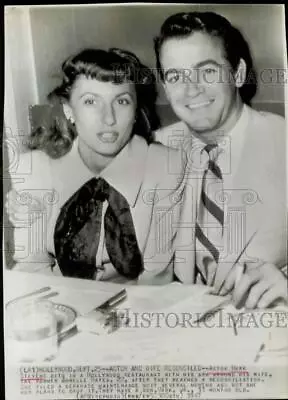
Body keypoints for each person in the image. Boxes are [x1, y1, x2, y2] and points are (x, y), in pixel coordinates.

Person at [6, 47, 186, 285]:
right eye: (90, 101)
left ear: (135, 111)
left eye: (121, 101)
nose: (109, 118)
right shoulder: (34, 170)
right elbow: (31, 270)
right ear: (69, 110)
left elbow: (156, 280)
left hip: (134, 307)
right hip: (59, 302)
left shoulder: (166, 167)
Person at [153, 11, 287, 308]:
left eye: (207, 71)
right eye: (175, 76)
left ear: (238, 74)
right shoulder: (157, 149)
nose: (191, 90)